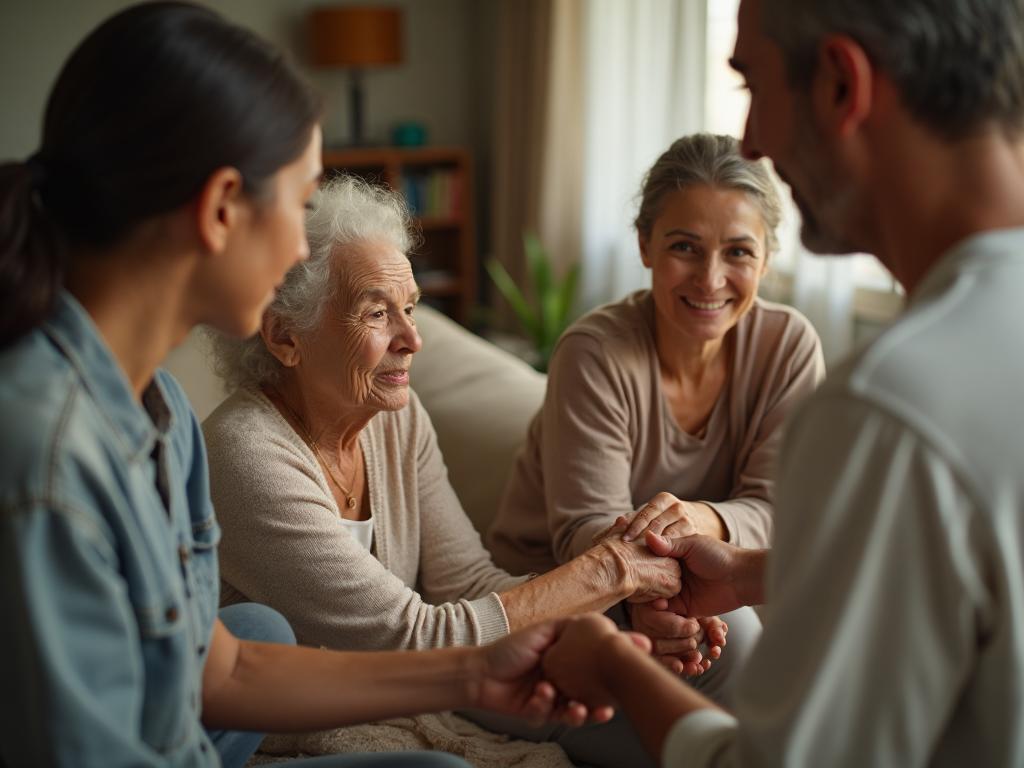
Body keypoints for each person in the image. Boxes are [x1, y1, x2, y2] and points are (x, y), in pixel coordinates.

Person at [0, 4, 608, 767]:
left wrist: (475, 672)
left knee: (272, 638)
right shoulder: (49, 463)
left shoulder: (163, 419)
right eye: (298, 202)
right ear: (223, 209)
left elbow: (224, 666)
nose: (300, 244)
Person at [538, 0, 1024, 766]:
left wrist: (616, 666)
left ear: (839, 84)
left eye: (751, 84)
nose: (753, 138)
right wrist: (749, 571)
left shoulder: (893, 408)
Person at [202, 173, 689, 768]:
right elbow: (412, 639)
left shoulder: (394, 419)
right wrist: (611, 571)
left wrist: (628, 608)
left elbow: (466, 583)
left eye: (410, 309)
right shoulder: (243, 453)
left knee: (651, 730)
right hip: (296, 738)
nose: (412, 339)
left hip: (427, 698)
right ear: (285, 337)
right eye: (376, 314)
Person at [487, 132, 823, 686]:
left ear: (766, 261)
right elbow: (583, 530)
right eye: (684, 247)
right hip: (554, 586)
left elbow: (778, 510)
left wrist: (697, 520)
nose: (710, 279)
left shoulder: (789, 347)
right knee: (742, 648)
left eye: (738, 251)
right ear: (645, 245)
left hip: (694, 582)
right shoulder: (594, 352)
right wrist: (662, 596)